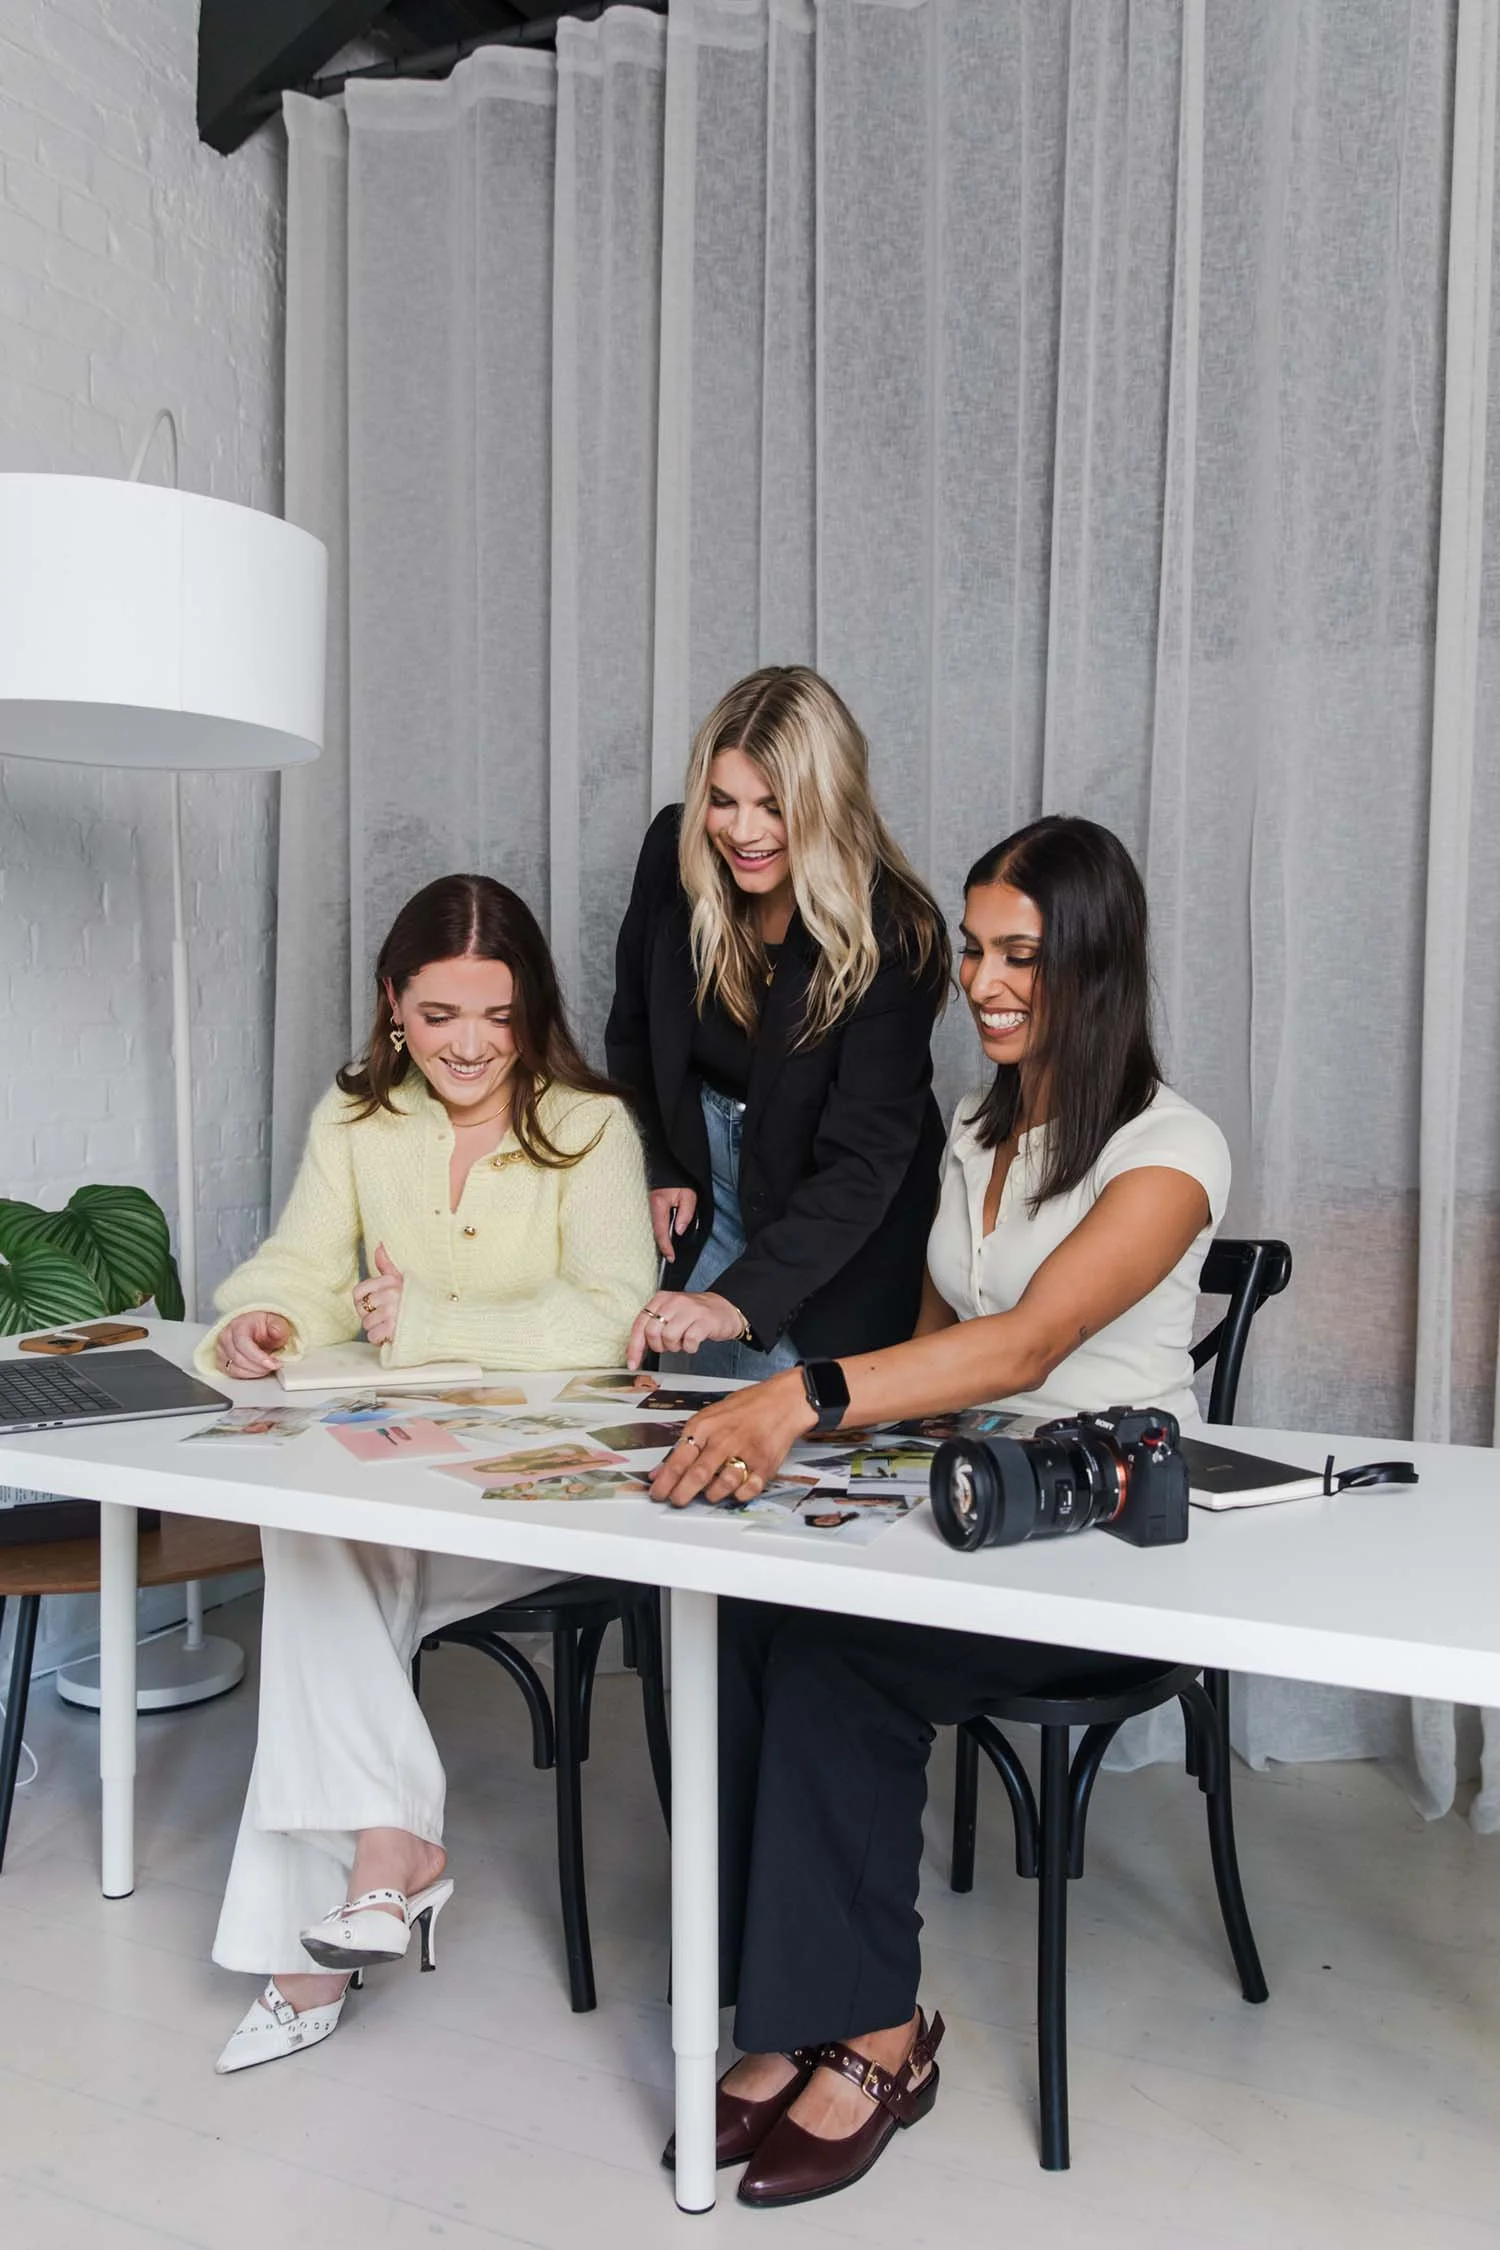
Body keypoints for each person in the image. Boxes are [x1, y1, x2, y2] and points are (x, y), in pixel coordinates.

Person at [649, 815, 1231, 2207]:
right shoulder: (976, 1126)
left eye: (1019, 951)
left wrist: (801, 1396)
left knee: (840, 1661)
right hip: (971, 1510)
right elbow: (932, 1351)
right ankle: (785, 2006)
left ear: (1099, 961)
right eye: (974, 948)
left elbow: (1024, 1346)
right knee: (734, 1617)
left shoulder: (1173, 1146)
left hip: (1101, 1545)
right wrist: (825, 1467)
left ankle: (882, 2036)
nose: (982, 979)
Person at [195, 874, 656, 2076]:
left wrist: (428, 1319)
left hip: (542, 1495)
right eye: (438, 1014)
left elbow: (615, 1318)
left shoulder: (592, 1126)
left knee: (314, 1566)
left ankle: (313, 1963)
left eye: (493, 1018)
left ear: (528, 1013)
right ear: (395, 1005)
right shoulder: (354, 1122)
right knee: (313, 1545)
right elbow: (297, 1262)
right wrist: (262, 1325)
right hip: (397, 1478)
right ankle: (386, 1860)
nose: (465, 1045)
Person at [605, 665, 949, 1378]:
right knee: (665, 1426)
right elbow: (634, 1028)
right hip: (711, 1187)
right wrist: (660, 1160)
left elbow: (862, 1164)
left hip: (833, 1221)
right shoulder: (674, 855)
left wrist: (739, 1301)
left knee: (782, 1449)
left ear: (827, 803)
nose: (743, 832)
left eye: (774, 807)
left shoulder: (899, 932)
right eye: (723, 801)